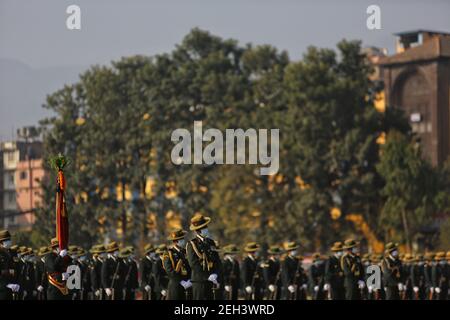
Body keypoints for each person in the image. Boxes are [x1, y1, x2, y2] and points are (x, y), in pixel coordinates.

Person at [186, 213, 222, 300]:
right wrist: (207, 276)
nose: (207, 229)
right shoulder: (192, 244)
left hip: (212, 280)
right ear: (199, 230)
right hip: (199, 281)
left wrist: (215, 274)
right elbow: (193, 264)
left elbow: (217, 261)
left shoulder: (210, 242)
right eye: (205, 228)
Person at [163, 229, 192, 300]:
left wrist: (189, 280)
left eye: (182, 239)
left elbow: (190, 267)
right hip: (176, 285)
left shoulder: (185, 252)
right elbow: (169, 270)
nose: (183, 241)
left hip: (188, 284)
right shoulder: (169, 253)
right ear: (175, 242)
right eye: (181, 239)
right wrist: (181, 281)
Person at [0, 230, 19, 300]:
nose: (10, 241)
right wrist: (7, 271)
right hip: (1, 288)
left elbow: (16, 269)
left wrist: (16, 283)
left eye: (9, 239)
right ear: (1, 242)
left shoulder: (10, 253)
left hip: (11, 287)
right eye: (7, 240)